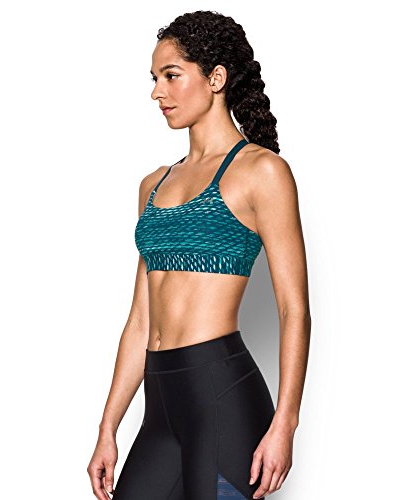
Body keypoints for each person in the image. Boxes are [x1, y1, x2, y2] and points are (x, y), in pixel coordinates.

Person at [87, 10, 311, 500]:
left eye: (171, 76)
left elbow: (293, 309)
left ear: (216, 78)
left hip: (223, 397)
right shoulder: (154, 184)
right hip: (159, 405)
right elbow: (141, 320)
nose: (157, 92)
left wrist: (285, 424)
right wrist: (108, 427)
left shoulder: (261, 172)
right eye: (153, 78)